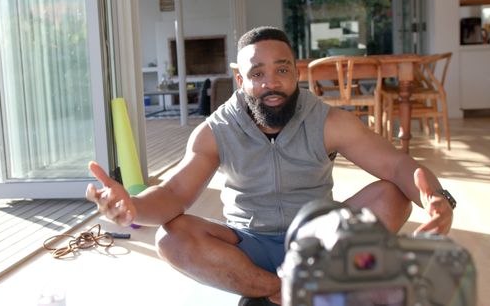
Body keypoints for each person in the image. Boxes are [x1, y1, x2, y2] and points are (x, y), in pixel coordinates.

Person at [86, 26, 454, 306]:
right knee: (171, 237)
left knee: (393, 196)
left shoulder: (328, 121)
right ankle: (277, 290)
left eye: (282, 71)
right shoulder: (215, 130)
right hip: (248, 243)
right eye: (258, 74)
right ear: (240, 79)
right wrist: (134, 208)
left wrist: (437, 198)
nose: (271, 83)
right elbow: (173, 195)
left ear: (297, 74)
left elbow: (397, 166)